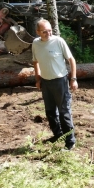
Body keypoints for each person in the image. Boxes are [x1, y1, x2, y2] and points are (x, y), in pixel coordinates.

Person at [32, 19, 78, 150]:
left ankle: (70, 141)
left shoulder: (59, 41)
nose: (48, 34)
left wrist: (73, 78)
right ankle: (57, 134)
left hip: (60, 82)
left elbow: (71, 60)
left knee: (64, 112)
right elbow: (35, 61)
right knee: (50, 112)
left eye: (50, 30)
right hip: (45, 82)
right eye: (45, 32)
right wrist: (38, 79)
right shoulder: (36, 44)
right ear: (38, 32)